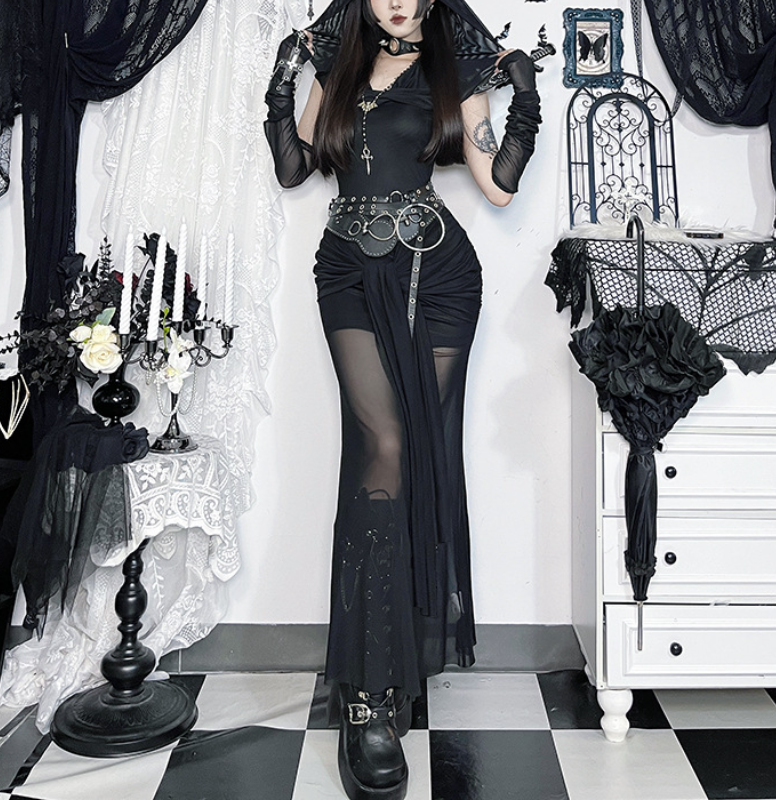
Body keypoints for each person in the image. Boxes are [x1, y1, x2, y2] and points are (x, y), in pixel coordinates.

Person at [265, 0, 540, 796]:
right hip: (347, 270)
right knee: (380, 448)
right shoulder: (340, 64)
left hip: (437, 275)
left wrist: (525, 99)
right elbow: (294, 168)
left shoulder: (454, 70)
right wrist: (281, 83)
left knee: (413, 453)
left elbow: (497, 187)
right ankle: (365, 692)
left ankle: (391, 675)